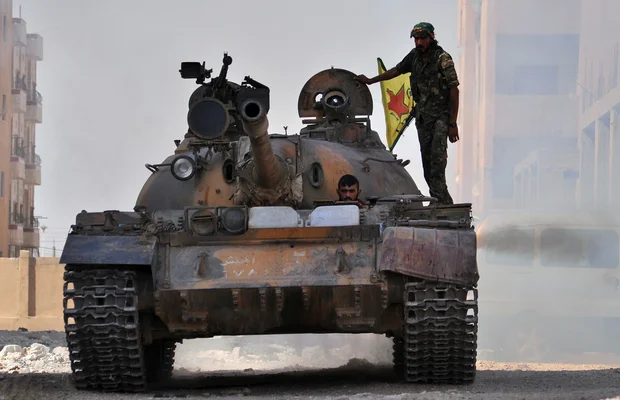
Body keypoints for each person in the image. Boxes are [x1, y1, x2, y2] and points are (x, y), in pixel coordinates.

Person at [354, 22, 458, 205]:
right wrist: (371, 81)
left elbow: (454, 90)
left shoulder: (443, 59)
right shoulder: (414, 57)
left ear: (431, 37)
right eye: (416, 39)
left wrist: (452, 123)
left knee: (437, 165)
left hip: (440, 118)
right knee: (427, 167)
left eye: (422, 38)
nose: (419, 42)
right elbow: (396, 70)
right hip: (423, 119)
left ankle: (444, 204)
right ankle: (439, 201)